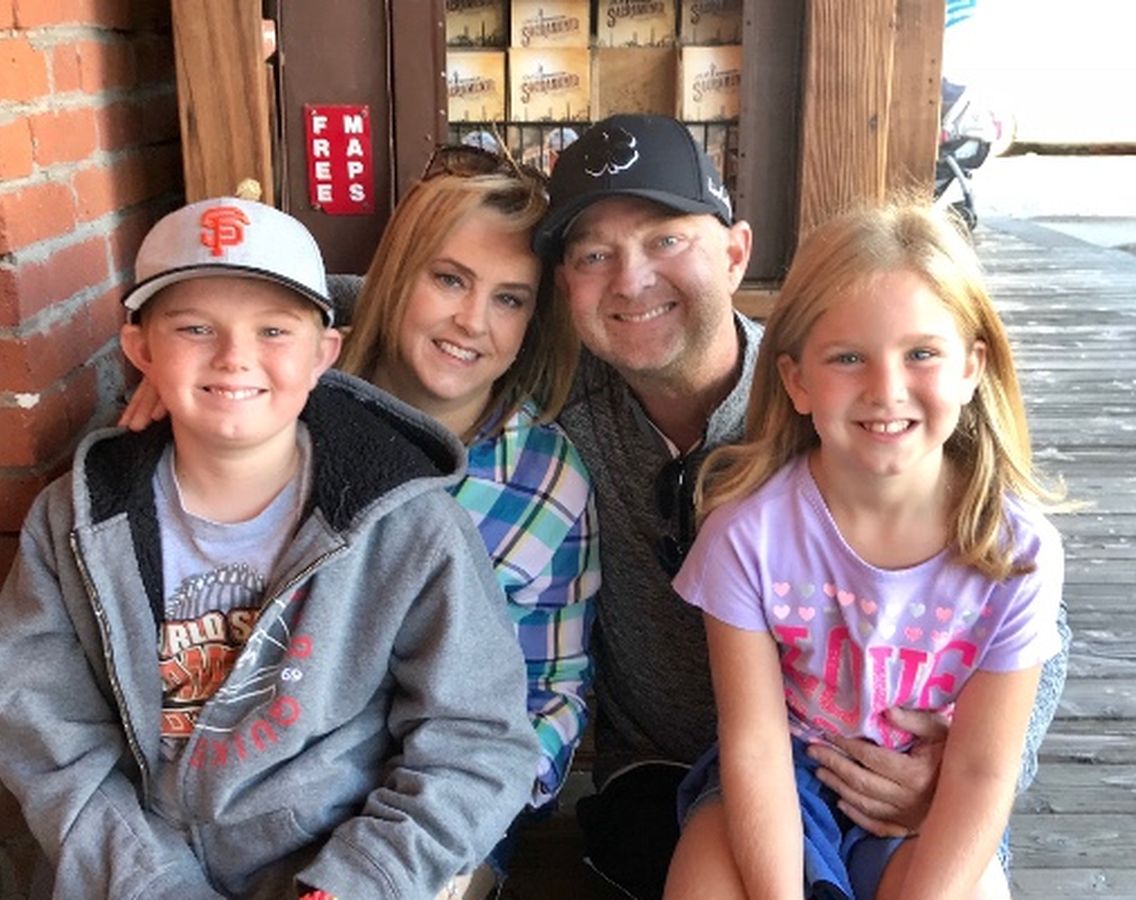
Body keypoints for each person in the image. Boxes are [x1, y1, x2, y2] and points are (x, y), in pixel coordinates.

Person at [529, 114, 1070, 897]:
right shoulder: (554, 417)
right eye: (592, 255)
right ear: (564, 287)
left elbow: (1029, 620)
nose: (631, 279)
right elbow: (424, 316)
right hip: (673, 773)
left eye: (667, 239)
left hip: (890, 765)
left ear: (735, 252)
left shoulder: (844, 397)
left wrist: (959, 764)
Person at [0, 196, 540, 899]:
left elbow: (474, 739)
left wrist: (352, 885)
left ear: (323, 354)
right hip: (132, 873)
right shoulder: (76, 521)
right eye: (195, 328)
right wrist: (152, 885)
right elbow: (48, 737)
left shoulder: (410, 526)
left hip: (340, 867)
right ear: (142, 350)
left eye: (273, 330)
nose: (234, 357)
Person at [119, 149, 601, 895]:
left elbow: (551, 690)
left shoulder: (545, 478)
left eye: (510, 299)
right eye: (449, 279)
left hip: (441, 802)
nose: (472, 321)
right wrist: (184, 397)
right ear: (398, 275)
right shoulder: (285, 396)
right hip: (249, 787)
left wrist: (462, 820)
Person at [663, 201, 1065, 899]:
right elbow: (754, 746)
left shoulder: (1017, 552)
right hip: (783, 777)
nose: (886, 390)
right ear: (797, 381)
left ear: (971, 368)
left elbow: (982, 771)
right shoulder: (745, 536)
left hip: (936, 793)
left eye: (922, 354)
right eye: (848, 358)